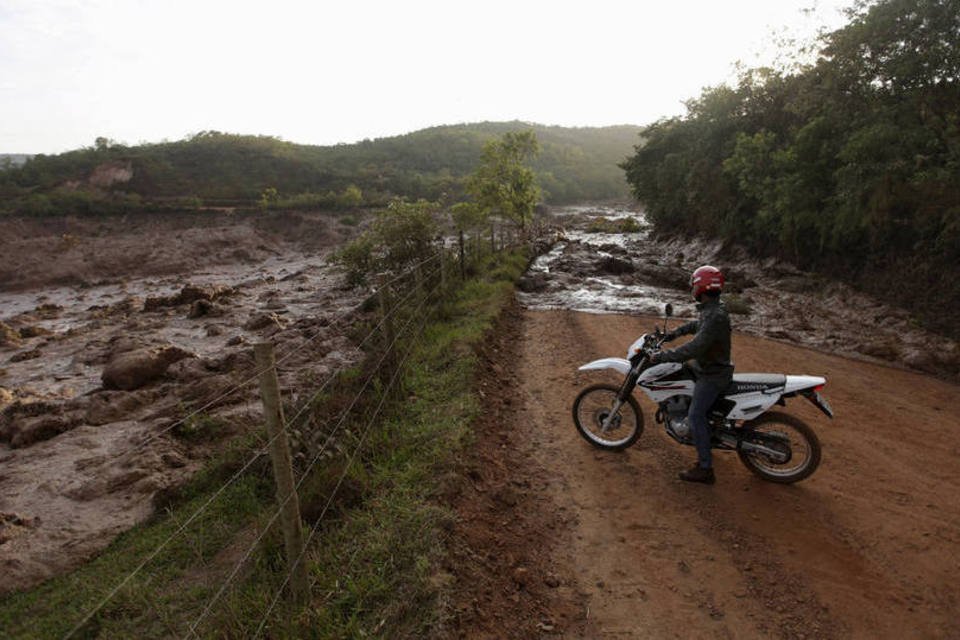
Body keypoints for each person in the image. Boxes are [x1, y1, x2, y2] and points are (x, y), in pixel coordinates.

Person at [650, 265, 733, 485]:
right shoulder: (713, 309)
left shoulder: (715, 315)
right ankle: (705, 434)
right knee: (683, 378)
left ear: (700, 287)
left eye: (694, 285)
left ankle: (705, 469)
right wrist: (674, 334)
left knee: (696, 415)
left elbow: (694, 348)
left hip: (713, 373)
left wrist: (663, 356)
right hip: (706, 367)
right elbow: (697, 325)